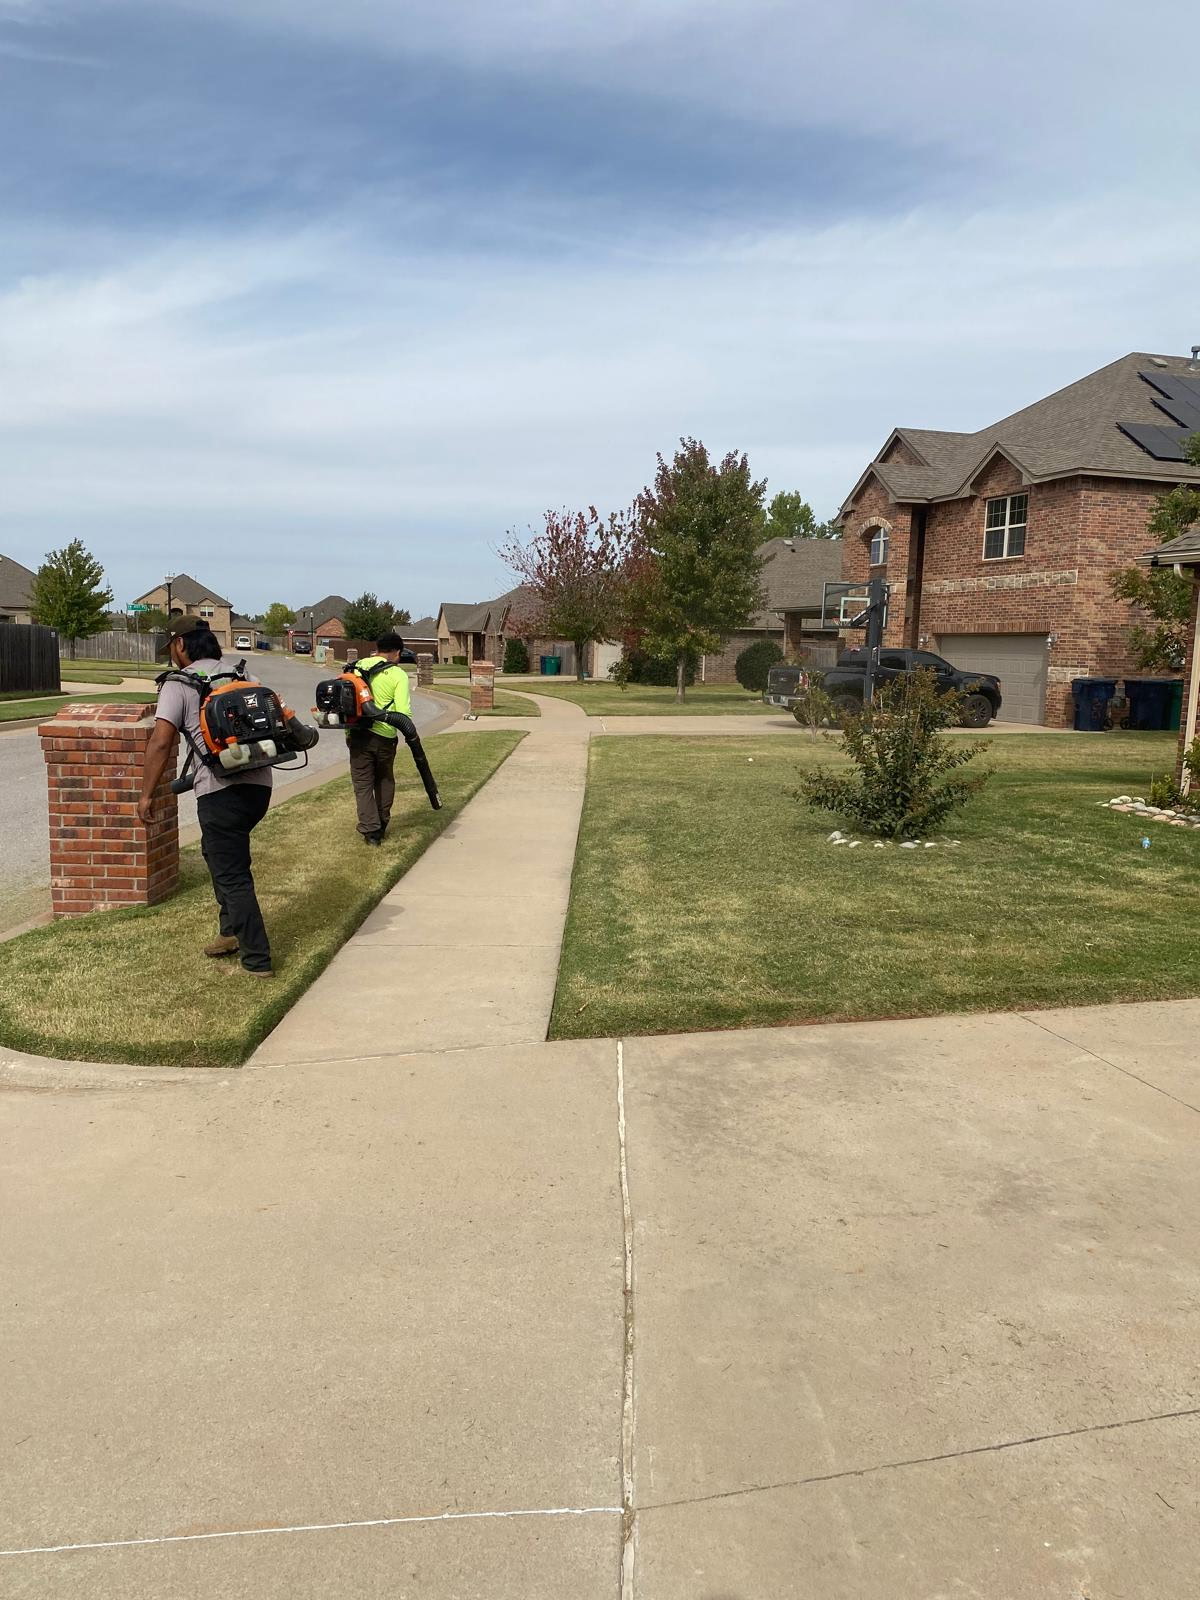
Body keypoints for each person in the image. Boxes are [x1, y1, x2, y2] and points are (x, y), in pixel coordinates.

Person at [137, 617, 274, 977]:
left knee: (232, 874)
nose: (171, 656)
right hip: (260, 785)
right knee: (217, 855)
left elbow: (161, 742)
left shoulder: (178, 684)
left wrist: (146, 795)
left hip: (219, 791)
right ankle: (230, 932)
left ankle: (257, 959)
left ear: (181, 645)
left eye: (170, 649)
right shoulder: (242, 675)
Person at [347, 631, 413, 846]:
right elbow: (403, 713)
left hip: (356, 734)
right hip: (384, 736)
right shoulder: (397, 674)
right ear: (396, 652)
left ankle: (370, 830)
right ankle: (381, 823)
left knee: (362, 783)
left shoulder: (356, 668)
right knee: (384, 779)